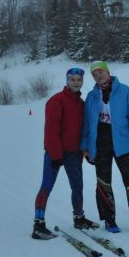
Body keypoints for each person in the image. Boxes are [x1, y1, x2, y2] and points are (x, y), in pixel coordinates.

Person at [81, 61, 129, 234]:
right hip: (100, 141)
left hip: (123, 140)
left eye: (100, 72)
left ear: (107, 72)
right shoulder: (91, 96)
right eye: (94, 74)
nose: (98, 76)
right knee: (103, 181)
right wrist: (86, 147)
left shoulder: (125, 91)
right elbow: (86, 125)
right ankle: (109, 220)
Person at [32, 67, 98, 240]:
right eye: (73, 79)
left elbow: (83, 130)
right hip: (56, 153)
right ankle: (38, 225)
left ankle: (79, 218)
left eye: (79, 80)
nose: (76, 82)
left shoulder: (81, 104)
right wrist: (55, 154)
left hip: (74, 153)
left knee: (78, 186)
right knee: (47, 186)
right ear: (67, 81)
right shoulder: (56, 101)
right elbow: (51, 130)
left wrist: (85, 149)